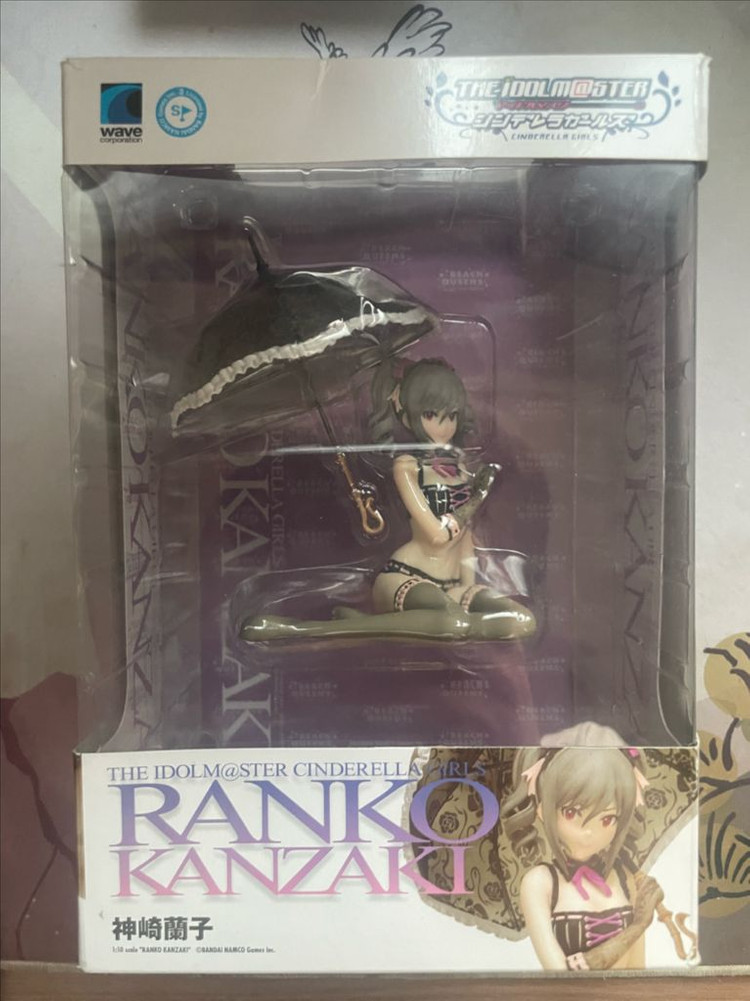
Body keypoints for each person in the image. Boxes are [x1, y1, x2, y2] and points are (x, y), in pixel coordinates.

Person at [241, 358, 535, 643]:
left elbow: (465, 536)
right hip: (408, 576)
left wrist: (466, 584)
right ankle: (305, 631)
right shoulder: (407, 466)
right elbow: (436, 535)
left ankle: (374, 627)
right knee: (454, 622)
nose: (444, 426)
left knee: (521, 621)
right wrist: (477, 497)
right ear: (405, 415)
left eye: (451, 416)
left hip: (454, 583)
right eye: (431, 415)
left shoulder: (459, 467)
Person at [503, 747, 665, 970]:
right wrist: (638, 925)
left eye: (607, 819)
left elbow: (637, 970)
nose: (589, 832)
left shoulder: (625, 877)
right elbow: (559, 975)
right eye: (571, 813)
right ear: (542, 811)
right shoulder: (540, 883)